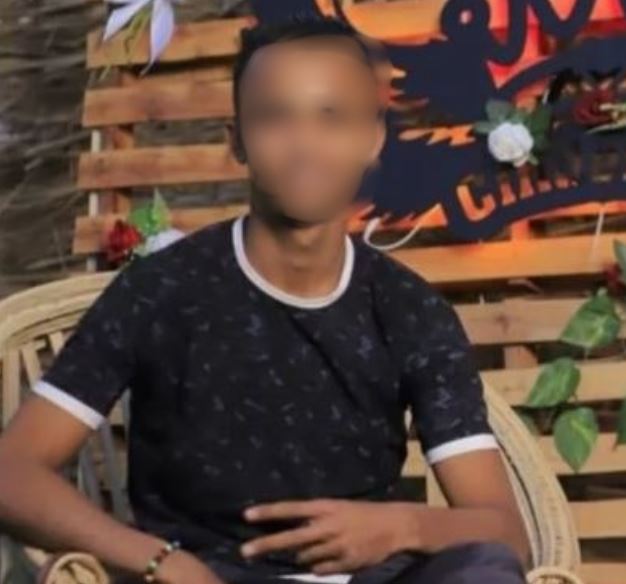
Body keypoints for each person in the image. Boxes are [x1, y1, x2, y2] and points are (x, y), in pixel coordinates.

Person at [0, 13, 531, 584]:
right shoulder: (160, 290)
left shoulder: (410, 310)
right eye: (276, 118)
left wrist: (403, 526)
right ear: (238, 141)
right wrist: (159, 561)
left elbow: (507, 534)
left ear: (372, 138)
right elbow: (11, 474)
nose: (305, 146)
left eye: (332, 118)